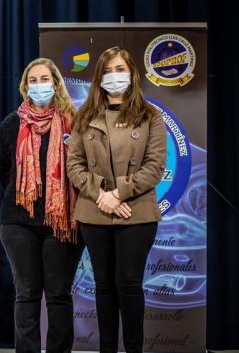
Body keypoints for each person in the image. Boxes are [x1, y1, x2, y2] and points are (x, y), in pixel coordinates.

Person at [67, 46, 165, 353]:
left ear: (133, 74)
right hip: (94, 213)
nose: (114, 76)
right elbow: (74, 165)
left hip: (137, 213)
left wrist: (118, 193)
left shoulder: (151, 116)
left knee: (128, 283)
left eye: (120, 70)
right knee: (104, 285)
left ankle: (134, 349)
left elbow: (155, 166)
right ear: (98, 78)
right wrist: (101, 195)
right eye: (108, 71)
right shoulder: (84, 116)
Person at [0, 58, 83, 352]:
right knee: (27, 293)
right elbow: (2, 169)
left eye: (45, 79)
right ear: (25, 86)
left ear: (56, 84)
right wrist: (28, 197)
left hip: (62, 222)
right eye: (33, 80)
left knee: (58, 294)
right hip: (19, 222)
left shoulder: (75, 122)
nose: (39, 85)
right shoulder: (11, 123)